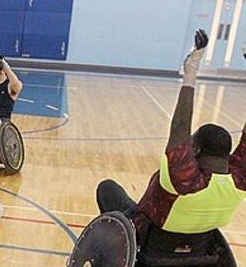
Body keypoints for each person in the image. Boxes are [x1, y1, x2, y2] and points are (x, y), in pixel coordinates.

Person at [96, 29, 246, 241]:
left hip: (146, 238)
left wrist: (191, 70)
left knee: (108, 189)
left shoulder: (184, 180)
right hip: (198, 247)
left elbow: (180, 124)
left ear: (196, 150)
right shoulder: (240, 179)